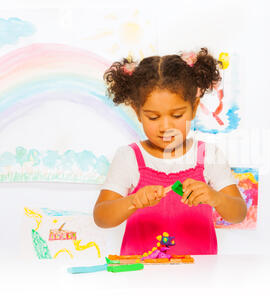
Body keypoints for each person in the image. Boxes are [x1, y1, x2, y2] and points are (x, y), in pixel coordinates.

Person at [94, 48, 247, 255]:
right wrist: (133, 201)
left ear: (193, 107)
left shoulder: (208, 155)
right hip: (141, 277)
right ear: (137, 111)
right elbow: (102, 217)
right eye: (153, 117)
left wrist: (215, 198)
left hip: (198, 278)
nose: (166, 126)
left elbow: (238, 213)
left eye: (176, 115)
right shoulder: (129, 157)